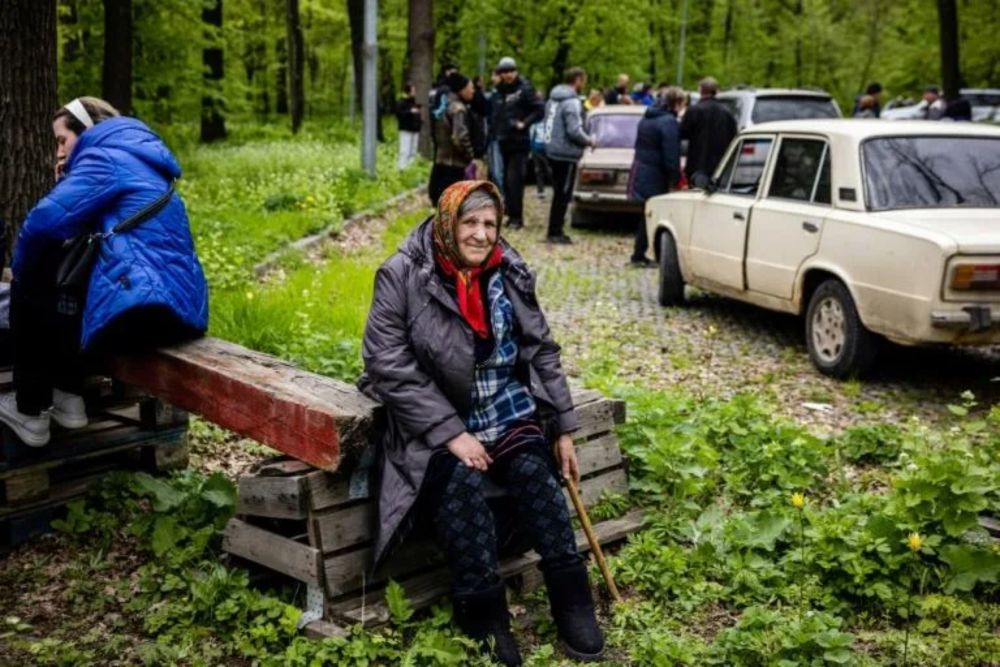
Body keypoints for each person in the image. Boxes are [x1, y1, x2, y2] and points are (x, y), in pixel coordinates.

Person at [359, 180, 604, 666]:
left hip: (503, 405)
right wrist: (451, 433)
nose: (481, 234)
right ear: (448, 222)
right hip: (432, 416)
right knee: (460, 486)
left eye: (490, 223)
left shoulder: (508, 269)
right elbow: (386, 362)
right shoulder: (402, 274)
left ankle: (572, 597)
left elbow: (540, 349)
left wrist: (565, 428)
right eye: (469, 222)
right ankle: (485, 615)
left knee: (536, 474)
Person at [0, 97, 208, 447]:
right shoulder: (140, 158)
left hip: (141, 310)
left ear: (89, 131)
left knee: (34, 278)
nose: (59, 151)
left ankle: (30, 411)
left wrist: (21, 279)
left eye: (62, 139)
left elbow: (41, 225)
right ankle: (68, 397)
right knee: (62, 278)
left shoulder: (104, 158)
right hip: (176, 307)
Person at [629, 86, 685, 266]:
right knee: (653, 214)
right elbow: (671, 153)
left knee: (646, 214)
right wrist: (675, 177)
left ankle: (639, 253)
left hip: (641, 169)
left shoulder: (648, 118)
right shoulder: (668, 122)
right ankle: (642, 255)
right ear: (676, 103)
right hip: (655, 173)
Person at [490, 57, 545, 230]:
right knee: (505, 180)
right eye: (504, 72)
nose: (507, 75)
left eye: (510, 71)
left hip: (520, 141)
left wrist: (524, 123)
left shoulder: (525, 89)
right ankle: (510, 213)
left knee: (515, 180)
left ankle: (517, 217)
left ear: (516, 71)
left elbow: (539, 109)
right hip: (504, 140)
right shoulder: (500, 91)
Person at [544, 67, 596, 245]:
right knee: (563, 194)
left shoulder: (552, 99)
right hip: (565, 154)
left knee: (558, 192)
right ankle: (555, 231)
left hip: (552, 150)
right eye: (584, 80)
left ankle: (554, 229)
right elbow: (574, 130)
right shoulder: (572, 102)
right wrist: (590, 141)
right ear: (578, 80)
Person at [429, 73, 476, 205]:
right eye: (470, 87)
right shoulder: (458, 109)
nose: (473, 90)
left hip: (440, 162)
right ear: (461, 89)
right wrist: (469, 155)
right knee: (453, 206)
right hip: (454, 164)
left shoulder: (442, 106)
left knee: (439, 204)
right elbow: (459, 137)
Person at [680, 76, 737, 181]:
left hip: (696, 165)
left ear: (700, 90)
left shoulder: (694, 111)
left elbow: (682, 133)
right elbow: (734, 136)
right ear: (716, 91)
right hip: (720, 165)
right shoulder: (727, 113)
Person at [395, 83, 421, 170]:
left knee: (413, 151)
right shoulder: (401, 102)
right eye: (413, 90)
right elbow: (399, 114)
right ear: (408, 91)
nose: (414, 92)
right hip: (405, 129)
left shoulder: (414, 102)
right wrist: (410, 112)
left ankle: (410, 169)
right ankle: (402, 168)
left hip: (415, 129)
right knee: (404, 150)